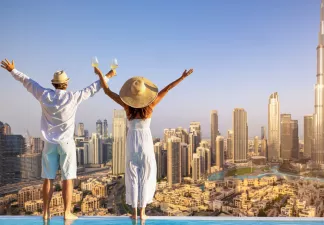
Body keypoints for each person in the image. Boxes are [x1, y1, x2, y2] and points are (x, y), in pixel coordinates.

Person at [1, 59, 116, 220]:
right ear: (66, 84)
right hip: (66, 144)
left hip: (49, 144)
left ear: (53, 84)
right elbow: (94, 87)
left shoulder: (44, 95)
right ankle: (67, 212)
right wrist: (109, 74)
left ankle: (46, 212)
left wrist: (13, 70)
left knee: (48, 178)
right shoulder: (73, 97)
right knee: (67, 179)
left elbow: (27, 81)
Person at [94, 67, 194, 220]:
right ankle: (142, 212)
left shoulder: (127, 107)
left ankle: (134, 213)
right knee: (146, 174)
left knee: (132, 175)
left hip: (132, 140)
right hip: (146, 141)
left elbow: (107, 91)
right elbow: (167, 89)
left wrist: (101, 74)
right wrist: (182, 77)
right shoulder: (150, 107)